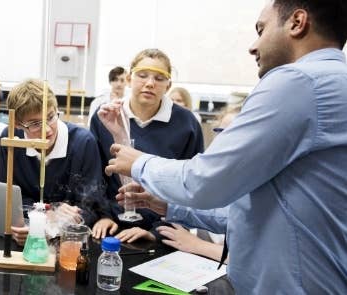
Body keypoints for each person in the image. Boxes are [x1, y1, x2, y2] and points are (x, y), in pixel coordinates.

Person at [104, 0, 347, 292]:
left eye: (261, 29)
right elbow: (252, 210)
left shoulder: (300, 81)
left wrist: (140, 163)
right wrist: (168, 204)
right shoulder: (333, 83)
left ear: (297, 23)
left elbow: (205, 180)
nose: (253, 46)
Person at [89, 49, 204, 239]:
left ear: (168, 86)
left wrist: (157, 231)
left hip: (162, 230)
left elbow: (191, 184)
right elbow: (94, 175)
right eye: (142, 76)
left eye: (159, 78)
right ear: (128, 78)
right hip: (109, 226)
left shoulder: (187, 124)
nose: (150, 84)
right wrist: (101, 216)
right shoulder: (106, 117)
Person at [115, 105, 242, 261]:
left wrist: (199, 245)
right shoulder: (225, 176)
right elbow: (227, 216)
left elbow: (255, 257)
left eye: (232, 133)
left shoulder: (259, 182)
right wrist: (165, 205)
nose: (223, 141)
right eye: (220, 132)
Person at [0, 79, 106, 245]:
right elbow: (11, 196)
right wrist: (42, 216)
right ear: (18, 125)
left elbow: (92, 205)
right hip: (27, 231)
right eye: (35, 124)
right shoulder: (11, 140)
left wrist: (53, 225)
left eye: (50, 117)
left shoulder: (83, 142)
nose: (47, 130)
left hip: (68, 239)